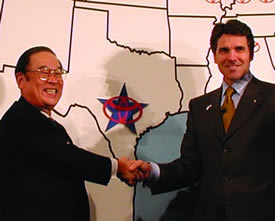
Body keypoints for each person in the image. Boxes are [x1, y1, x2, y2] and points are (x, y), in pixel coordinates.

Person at [130, 19, 275, 221]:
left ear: (250, 53)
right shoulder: (200, 107)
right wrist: (153, 171)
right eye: (224, 50)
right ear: (214, 56)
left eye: (239, 49)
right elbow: (190, 167)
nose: (232, 57)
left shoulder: (271, 98)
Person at [0, 46, 141, 221]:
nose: (53, 80)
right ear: (21, 80)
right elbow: (66, 157)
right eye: (44, 73)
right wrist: (118, 167)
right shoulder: (18, 120)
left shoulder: (53, 126)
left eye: (58, 73)